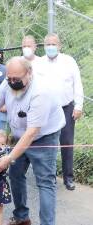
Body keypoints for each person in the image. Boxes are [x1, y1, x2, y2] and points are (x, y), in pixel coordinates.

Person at [0, 57, 66, 225]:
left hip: (43, 137)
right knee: (15, 175)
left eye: (17, 79)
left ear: (29, 73)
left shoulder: (41, 91)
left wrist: (9, 158)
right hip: (18, 134)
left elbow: (31, 133)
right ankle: (21, 217)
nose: (12, 82)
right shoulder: (7, 83)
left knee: (45, 182)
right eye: (9, 78)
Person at [41, 33, 84, 191]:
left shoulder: (69, 61)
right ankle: (49, 177)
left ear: (59, 46)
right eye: (47, 44)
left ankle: (68, 178)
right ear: (44, 46)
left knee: (66, 143)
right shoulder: (39, 63)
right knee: (48, 144)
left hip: (66, 108)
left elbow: (77, 84)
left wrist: (78, 106)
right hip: (47, 109)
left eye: (53, 44)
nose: (50, 47)